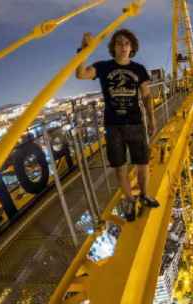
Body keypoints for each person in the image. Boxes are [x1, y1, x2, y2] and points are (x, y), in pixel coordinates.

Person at [75, 29, 159, 221]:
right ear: (113, 47)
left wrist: (152, 119)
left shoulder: (139, 69)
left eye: (127, 43)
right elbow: (81, 74)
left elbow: (146, 96)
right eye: (119, 43)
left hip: (136, 123)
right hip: (113, 126)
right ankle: (129, 199)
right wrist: (84, 49)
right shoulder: (103, 67)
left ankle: (144, 194)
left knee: (143, 164)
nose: (123, 46)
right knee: (119, 166)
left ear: (132, 47)